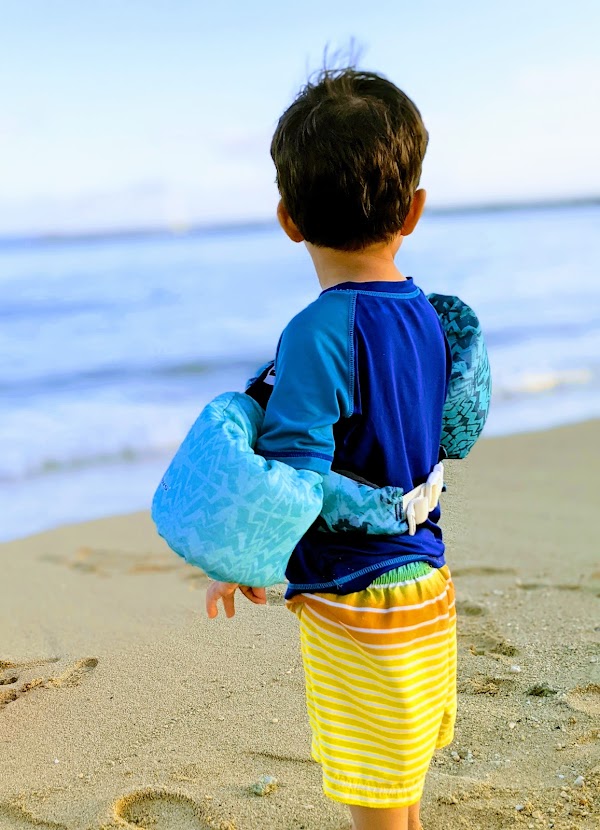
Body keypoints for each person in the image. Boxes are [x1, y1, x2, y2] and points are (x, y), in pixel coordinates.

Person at [205, 66, 456, 830]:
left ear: (287, 217)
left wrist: (242, 560)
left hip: (357, 602)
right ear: (412, 210)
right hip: (426, 585)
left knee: (374, 805)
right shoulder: (428, 316)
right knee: (394, 791)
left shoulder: (317, 332)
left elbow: (294, 476)